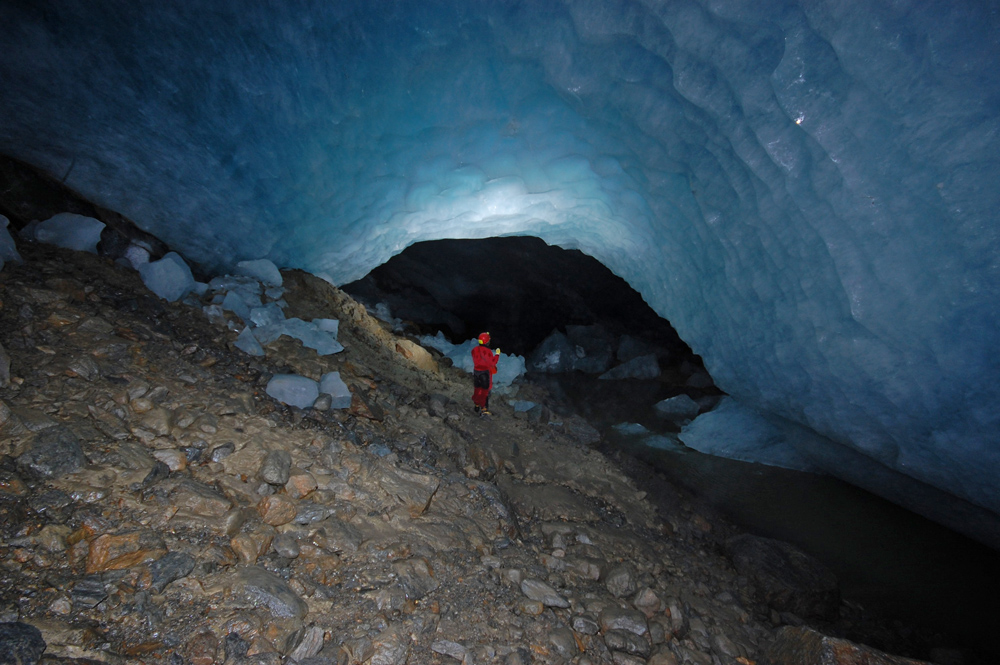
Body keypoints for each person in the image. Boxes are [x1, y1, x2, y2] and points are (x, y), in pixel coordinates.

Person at [471, 332, 500, 415]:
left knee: (477, 389)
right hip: (484, 373)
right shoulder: (487, 351)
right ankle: (484, 409)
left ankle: (476, 404)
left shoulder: (474, 350)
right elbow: (493, 362)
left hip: (476, 372)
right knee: (485, 391)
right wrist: (497, 354)